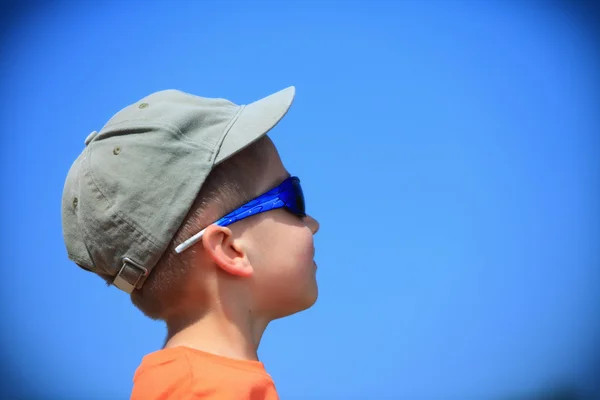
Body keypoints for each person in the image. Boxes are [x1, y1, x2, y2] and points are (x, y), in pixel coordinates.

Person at [61, 86, 320, 399]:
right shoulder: (206, 390)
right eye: (293, 199)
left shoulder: (199, 383)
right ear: (230, 248)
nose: (313, 224)